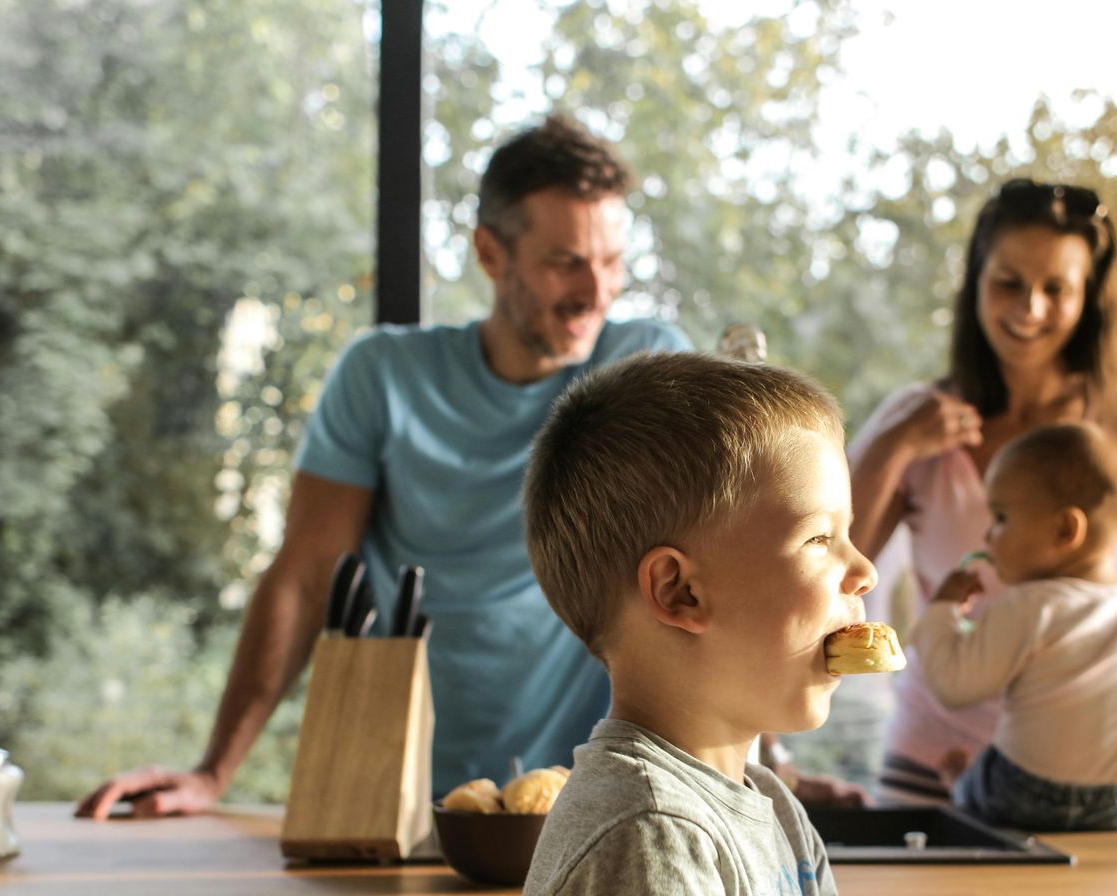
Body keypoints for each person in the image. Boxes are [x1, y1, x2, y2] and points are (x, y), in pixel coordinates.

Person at [76, 115, 691, 819]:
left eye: (611, 261)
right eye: (565, 262)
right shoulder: (383, 375)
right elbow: (307, 579)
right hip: (394, 795)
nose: (595, 288)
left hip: (593, 804)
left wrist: (774, 765)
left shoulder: (644, 367)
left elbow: (712, 572)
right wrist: (212, 773)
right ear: (491, 254)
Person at [508, 352, 885, 896]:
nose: (864, 569)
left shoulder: (774, 812)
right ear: (680, 591)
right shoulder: (651, 836)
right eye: (821, 539)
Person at [847, 179, 1117, 798]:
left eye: (1056, 289)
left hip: (1090, 781)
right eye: (1008, 282)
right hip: (931, 765)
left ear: (1088, 300)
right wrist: (892, 447)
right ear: (976, 281)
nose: (1029, 308)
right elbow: (832, 572)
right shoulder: (916, 423)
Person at [913, 422, 1117, 832]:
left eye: (1000, 517)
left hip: (1027, 795)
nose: (987, 535)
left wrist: (942, 611)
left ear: (1065, 530)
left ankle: (963, 785)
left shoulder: (1029, 607)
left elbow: (953, 684)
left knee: (979, 782)